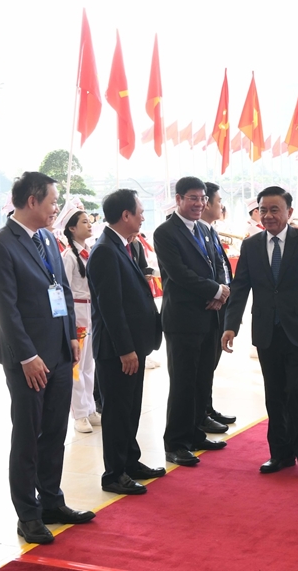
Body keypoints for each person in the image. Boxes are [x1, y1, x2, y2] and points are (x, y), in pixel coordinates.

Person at [0, 172, 94, 545]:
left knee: (54, 433)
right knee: (28, 437)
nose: (56, 208)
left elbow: (61, 290)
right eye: (52, 201)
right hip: (28, 359)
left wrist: (70, 337)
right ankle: (27, 515)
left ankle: (51, 502)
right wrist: (27, 355)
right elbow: (6, 309)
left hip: (59, 351)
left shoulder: (47, 238)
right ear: (32, 201)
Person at [222, 186, 298, 475]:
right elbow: (240, 287)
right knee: (273, 393)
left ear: (289, 212)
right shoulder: (251, 245)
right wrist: (230, 326)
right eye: (263, 210)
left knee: (295, 390)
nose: (267, 215)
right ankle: (280, 453)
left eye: (274, 209)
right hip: (266, 331)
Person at [88, 189, 165, 496]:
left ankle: (130, 461)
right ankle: (114, 474)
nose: (143, 217)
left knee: (131, 409)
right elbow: (110, 307)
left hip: (134, 344)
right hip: (117, 350)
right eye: (140, 211)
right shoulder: (105, 250)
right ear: (125, 215)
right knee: (117, 412)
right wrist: (125, 349)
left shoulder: (125, 245)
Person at [153, 176, 229, 467]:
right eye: (193, 198)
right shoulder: (165, 232)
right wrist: (215, 291)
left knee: (202, 379)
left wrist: (220, 293)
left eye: (203, 199)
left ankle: (196, 433)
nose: (199, 204)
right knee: (183, 383)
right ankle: (176, 443)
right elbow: (179, 273)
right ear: (179, 199)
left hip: (210, 316)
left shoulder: (204, 230)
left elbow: (218, 265)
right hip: (183, 320)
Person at [200, 182, 236, 430]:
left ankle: (207, 407)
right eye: (219, 201)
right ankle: (201, 412)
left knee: (211, 363)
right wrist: (217, 292)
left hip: (220, 305)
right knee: (203, 366)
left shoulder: (211, 230)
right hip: (207, 307)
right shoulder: (197, 233)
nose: (221, 206)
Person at [61, 210, 101, 433]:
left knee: (88, 364)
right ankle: (79, 414)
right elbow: (64, 289)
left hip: (90, 310)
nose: (89, 225)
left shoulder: (90, 251)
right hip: (77, 312)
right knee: (77, 366)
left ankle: (89, 407)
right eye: (84, 222)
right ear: (72, 228)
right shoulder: (69, 256)